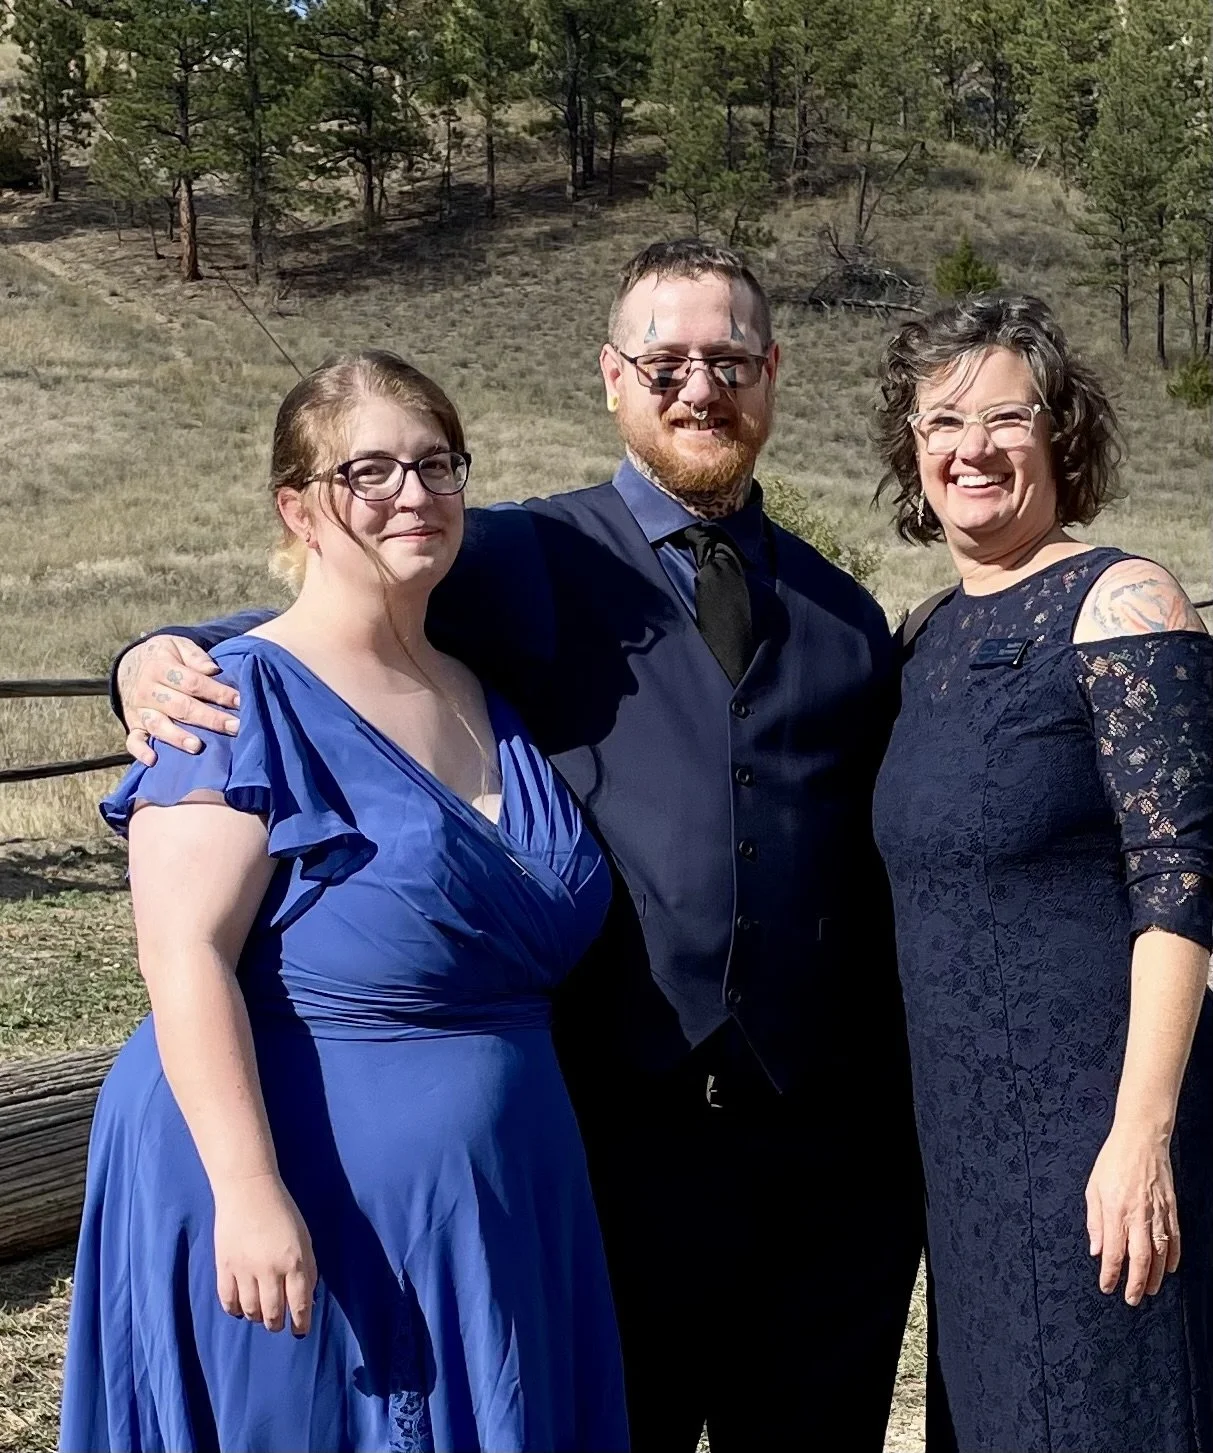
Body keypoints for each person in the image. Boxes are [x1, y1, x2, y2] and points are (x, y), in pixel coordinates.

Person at [111, 239, 924, 1452]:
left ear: (770, 372)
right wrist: (151, 654)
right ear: (611, 376)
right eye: (665, 362)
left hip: (813, 1170)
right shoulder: (530, 555)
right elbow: (336, 598)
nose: (698, 387)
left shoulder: (843, 613)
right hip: (609, 1150)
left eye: (730, 360)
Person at [60, 352, 628, 1453]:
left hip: (494, 1204)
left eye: (436, 464)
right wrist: (250, 1189)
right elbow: (184, 954)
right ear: (298, 507)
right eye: (368, 469)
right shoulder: (232, 696)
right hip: (294, 1200)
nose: (412, 494)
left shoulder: (484, 690)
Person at [871, 293, 1213, 1452]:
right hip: (963, 1150)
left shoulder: (1122, 600)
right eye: (939, 423)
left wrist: (1140, 1137)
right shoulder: (921, 636)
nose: (970, 449)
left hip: (1092, 1135)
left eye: (1003, 418)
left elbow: (1181, 882)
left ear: (1059, 432)